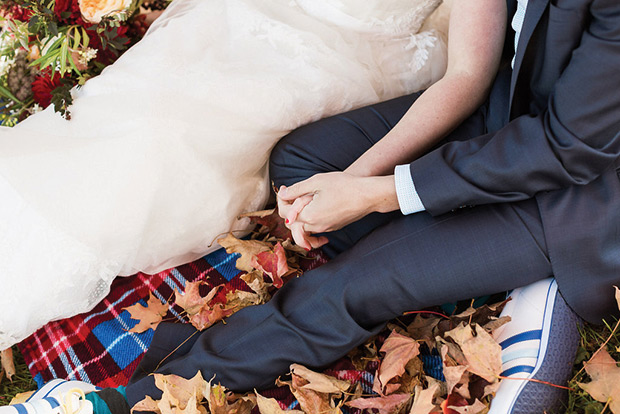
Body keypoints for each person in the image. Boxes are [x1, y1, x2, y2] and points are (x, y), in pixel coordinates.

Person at [3, 0, 619, 412]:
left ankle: (120, 401)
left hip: (579, 194)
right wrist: (352, 181)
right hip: (509, 116)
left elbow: (569, 147)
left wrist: (379, 193)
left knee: (353, 285)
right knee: (302, 165)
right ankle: (454, 260)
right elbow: (487, 69)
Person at [0, 0, 451, 348]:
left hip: (348, 58)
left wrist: (356, 180)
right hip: (244, 18)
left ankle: (35, 262)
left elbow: (468, 75)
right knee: (126, 100)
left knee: (169, 137)